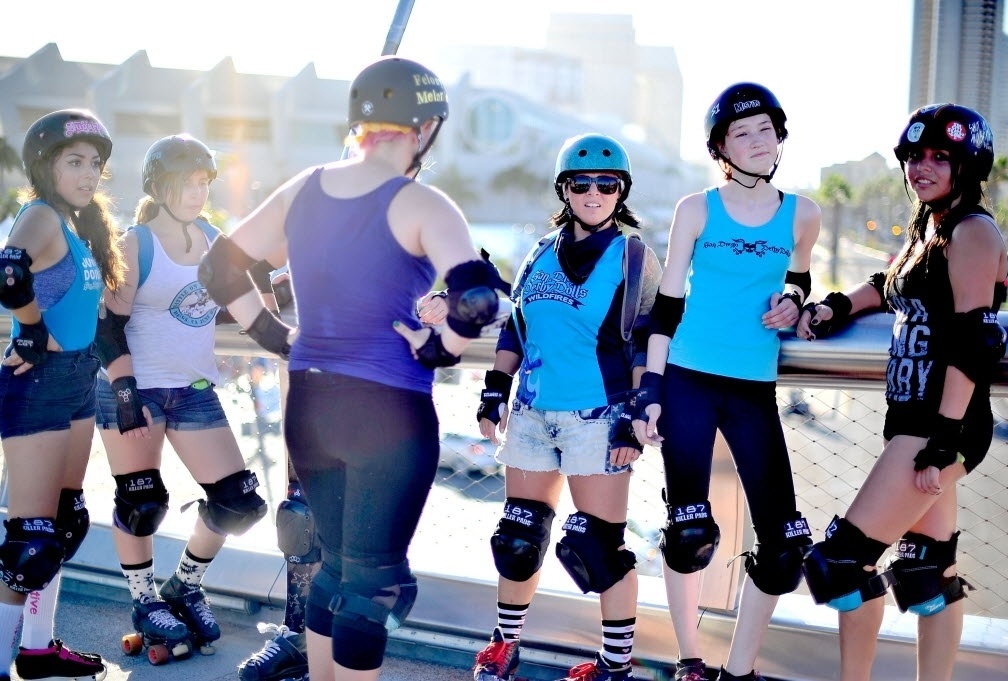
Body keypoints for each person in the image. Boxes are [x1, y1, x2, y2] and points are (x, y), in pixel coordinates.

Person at [197, 56, 508, 681]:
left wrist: (275, 336)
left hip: (310, 408)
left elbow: (218, 271)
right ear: (424, 129)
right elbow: (480, 301)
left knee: (333, 571)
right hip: (385, 413)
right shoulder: (424, 203)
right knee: (374, 591)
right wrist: (439, 346)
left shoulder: (303, 187)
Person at [797, 104, 1007, 681]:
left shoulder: (973, 230)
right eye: (915, 156)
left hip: (939, 425)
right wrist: (837, 306)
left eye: (941, 156)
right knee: (926, 573)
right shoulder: (929, 230)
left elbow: (973, 341)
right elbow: (889, 284)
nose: (923, 166)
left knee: (840, 563)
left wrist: (941, 440)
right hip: (918, 421)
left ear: (968, 165)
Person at [630, 83, 821, 681]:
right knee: (687, 531)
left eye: (766, 129)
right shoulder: (696, 208)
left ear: (781, 136)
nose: (758, 141)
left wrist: (792, 300)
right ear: (721, 147)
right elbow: (666, 308)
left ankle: (738, 672)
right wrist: (650, 392)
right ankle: (691, 663)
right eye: (743, 132)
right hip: (686, 379)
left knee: (785, 544)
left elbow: (798, 280)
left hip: (751, 387)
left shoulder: (803, 214)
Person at [468, 133, 662, 681]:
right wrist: (493, 390)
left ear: (621, 191)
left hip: (598, 418)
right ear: (565, 189)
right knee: (517, 539)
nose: (594, 193)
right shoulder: (539, 250)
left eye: (607, 184)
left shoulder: (635, 255)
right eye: (582, 184)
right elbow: (516, 326)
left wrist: (635, 413)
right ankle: (504, 647)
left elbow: (651, 338)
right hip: (531, 413)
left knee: (600, 550)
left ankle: (615, 666)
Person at [94, 133, 267, 658]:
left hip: (192, 389)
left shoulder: (214, 240)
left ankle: (184, 586)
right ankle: (146, 601)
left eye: (203, 183)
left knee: (239, 503)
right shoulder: (135, 243)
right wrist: (126, 395)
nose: (196, 192)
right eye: (186, 183)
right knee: (143, 501)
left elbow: (229, 306)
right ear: (159, 185)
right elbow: (107, 327)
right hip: (134, 389)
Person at [0, 109, 125, 681]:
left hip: (77, 378)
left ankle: (37, 648)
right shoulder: (43, 216)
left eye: (94, 164)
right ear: (45, 166)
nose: (88, 173)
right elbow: (8, 272)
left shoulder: (75, 225)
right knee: (29, 545)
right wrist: (28, 328)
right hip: (39, 385)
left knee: (63, 523)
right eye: (75, 161)